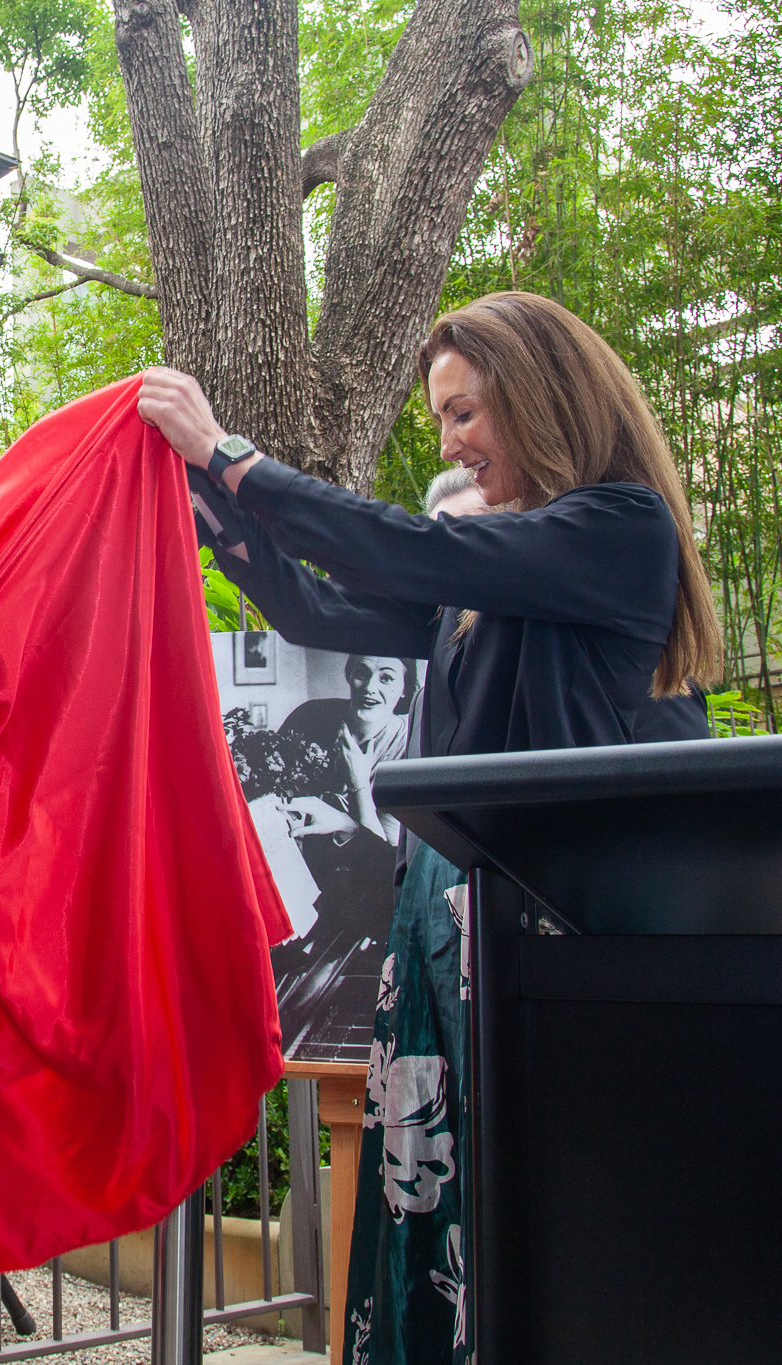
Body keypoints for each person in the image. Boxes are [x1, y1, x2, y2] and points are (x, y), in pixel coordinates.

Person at [139, 290, 722, 1365]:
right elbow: (321, 610)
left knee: (535, 1203)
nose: (449, 442)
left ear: (542, 396)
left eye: (465, 414)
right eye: (441, 419)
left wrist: (229, 456)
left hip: (549, 927)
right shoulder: (490, 572)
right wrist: (214, 513)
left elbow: (405, 551)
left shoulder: (615, 527)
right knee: (434, 1199)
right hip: (445, 920)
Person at [269, 654, 417, 1054]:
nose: (371, 687)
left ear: (405, 689)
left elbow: (384, 865)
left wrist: (357, 782)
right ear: (349, 675)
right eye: (362, 673)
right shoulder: (313, 721)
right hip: (305, 896)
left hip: (369, 913)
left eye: (387, 678)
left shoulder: (413, 745)